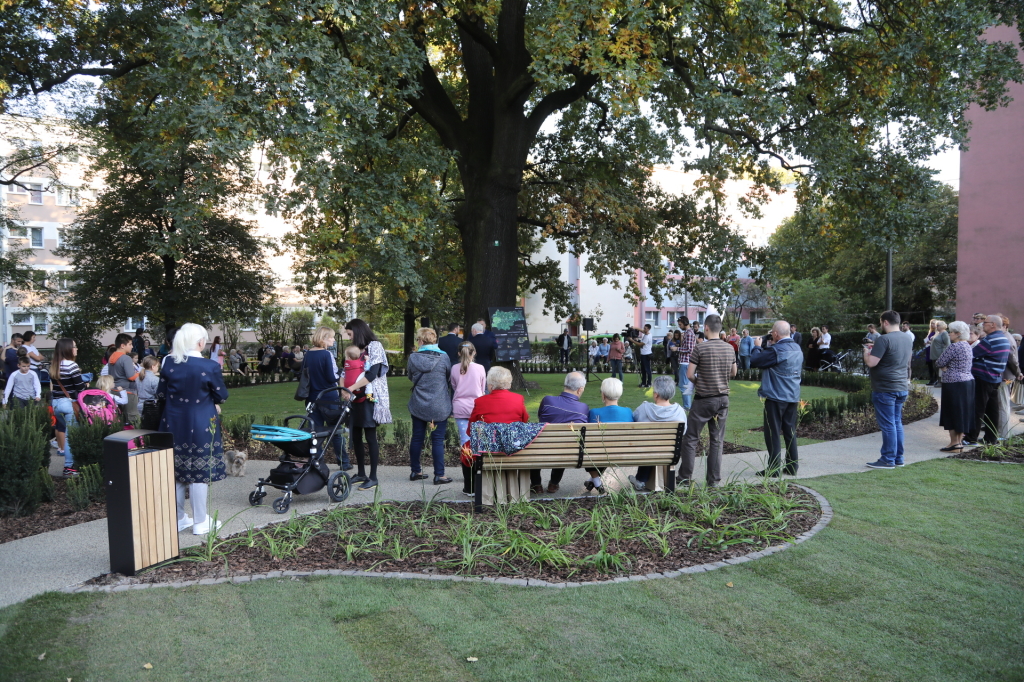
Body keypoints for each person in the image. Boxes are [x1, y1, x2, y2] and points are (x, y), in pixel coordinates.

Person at [157, 323, 229, 536]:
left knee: (176, 471)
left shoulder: (169, 362)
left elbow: (161, 394)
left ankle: (179, 518)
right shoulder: (209, 366)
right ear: (200, 342)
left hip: (172, 423)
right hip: (200, 424)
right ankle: (199, 522)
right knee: (199, 472)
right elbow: (221, 396)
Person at [678, 314, 736, 487]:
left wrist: (699, 381)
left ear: (706, 328)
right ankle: (713, 481)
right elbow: (733, 373)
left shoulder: (700, 348)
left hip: (704, 400)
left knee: (690, 439)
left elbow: (689, 374)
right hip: (723, 400)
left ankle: (685, 477)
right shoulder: (729, 348)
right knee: (717, 440)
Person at [342, 318, 392, 491]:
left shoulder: (375, 346)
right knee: (355, 436)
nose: (349, 338)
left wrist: (350, 388)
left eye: (350, 334)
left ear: (358, 331)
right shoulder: (356, 349)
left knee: (370, 437)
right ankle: (361, 473)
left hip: (370, 398)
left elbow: (373, 374)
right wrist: (344, 388)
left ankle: (373, 477)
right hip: (354, 398)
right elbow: (345, 369)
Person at [749, 321, 803, 477]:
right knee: (789, 431)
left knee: (773, 432)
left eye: (772, 332)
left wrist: (758, 346)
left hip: (776, 395)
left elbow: (755, 360)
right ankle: (792, 466)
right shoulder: (797, 348)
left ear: (776, 334)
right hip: (792, 395)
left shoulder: (777, 350)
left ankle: (773, 469)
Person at [863, 310, 913, 469]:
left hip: (885, 388)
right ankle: (898, 458)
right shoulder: (907, 338)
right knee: (897, 423)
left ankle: (887, 459)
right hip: (901, 385)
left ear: (885, 322)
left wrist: (866, 351)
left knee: (888, 425)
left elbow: (871, 362)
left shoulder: (883, 339)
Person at [406, 327, 453, 485]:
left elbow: (411, 377)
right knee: (437, 440)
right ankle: (439, 475)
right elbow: (448, 377)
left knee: (417, 438)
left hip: (418, 402)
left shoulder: (413, 357)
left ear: (420, 340)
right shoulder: (444, 357)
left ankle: (415, 471)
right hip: (439, 404)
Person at [627, 375, 687, 492]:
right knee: (655, 447)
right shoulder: (680, 411)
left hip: (646, 452)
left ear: (656, 394)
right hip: (670, 453)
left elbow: (633, 423)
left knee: (649, 445)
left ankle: (640, 479)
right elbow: (683, 431)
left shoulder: (644, 408)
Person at [534, 372, 589, 494]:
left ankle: (536, 484)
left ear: (565, 384)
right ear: (580, 390)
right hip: (568, 451)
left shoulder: (547, 400)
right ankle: (553, 484)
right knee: (565, 443)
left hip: (541, 448)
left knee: (535, 442)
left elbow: (540, 418)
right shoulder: (583, 408)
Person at [965, 315, 1015, 445]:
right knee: (992, 410)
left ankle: (971, 438)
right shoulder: (1003, 338)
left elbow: (971, 354)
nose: (982, 325)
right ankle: (991, 438)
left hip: (983, 377)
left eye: (985, 323)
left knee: (977, 408)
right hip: (995, 378)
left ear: (993, 324)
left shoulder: (990, 340)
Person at [305, 326, 350, 471]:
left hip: (312, 397)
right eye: (331, 337)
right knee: (335, 430)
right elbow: (331, 377)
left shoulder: (308, 354)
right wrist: (342, 375)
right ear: (323, 338)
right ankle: (344, 462)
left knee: (315, 431)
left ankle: (317, 461)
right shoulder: (326, 354)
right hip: (329, 396)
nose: (333, 340)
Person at [450, 342, 487, 495]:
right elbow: (483, 386)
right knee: (479, 442)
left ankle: (468, 478)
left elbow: (453, 386)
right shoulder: (480, 368)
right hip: (477, 407)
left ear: (459, 353)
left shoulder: (454, 368)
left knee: (465, 444)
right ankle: (479, 474)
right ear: (474, 352)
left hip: (460, 407)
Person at [587, 377, 633, 494]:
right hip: (624, 453)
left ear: (603, 395)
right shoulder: (628, 412)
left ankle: (595, 480)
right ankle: (594, 480)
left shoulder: (594, 413)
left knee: (593, 450)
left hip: (599, 454)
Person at [935, 321, 974, 451]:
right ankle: (959, 442)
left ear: (958, 334)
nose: (949, 334)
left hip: (953, 382)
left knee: (952, 412)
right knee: (961, 412)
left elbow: (939, 361)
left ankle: (953, 443)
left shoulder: (954, 347)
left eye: (951, 332)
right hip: (967, 381)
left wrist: (945, 367)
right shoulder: (967, 346)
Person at [51, 338, 86, 477]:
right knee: (72, 437)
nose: (76, 349)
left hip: (57, 404)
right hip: (69, 404)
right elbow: (80, 388)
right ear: (68, 349)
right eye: (75, 347)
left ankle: (70, 465)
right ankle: (69, 467)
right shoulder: (72, 365)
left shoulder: (54, 365)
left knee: (65, 433)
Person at [108, 333, 141, 426]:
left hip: (114, 390)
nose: (132, 346)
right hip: (128, 391)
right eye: (130, 344)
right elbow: (131, 376)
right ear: (123, 345)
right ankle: (137, 440)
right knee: (133, 418)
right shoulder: (126, 358)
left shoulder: (112, 356)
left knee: (119, 419)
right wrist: (140, 373)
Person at [676, 317, 696, 410]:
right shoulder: (689, 333)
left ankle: (687, 406)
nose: (679, 326)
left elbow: (689, 349)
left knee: (683, 385)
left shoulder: (689, 333)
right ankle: (687, 405)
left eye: (680, 324)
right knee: (685, 385)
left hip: (686, 362)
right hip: (686, 362)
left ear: (685, 323)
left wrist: (677, 349)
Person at [631, 323, 654, 388]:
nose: (644, 329)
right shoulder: (647, 334)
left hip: (647, 355)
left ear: (649, 329)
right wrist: (634, 327)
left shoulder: (648, 336)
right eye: (644, 328)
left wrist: (631, 340)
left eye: (646, 328)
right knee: (643, 369)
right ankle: (644, 383)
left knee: (647, 369)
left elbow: (640, 344)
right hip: (643, 354)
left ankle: (649, 383)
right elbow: (641, 330)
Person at [928, 321, 950, 387]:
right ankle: (938, 380)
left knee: (939, 369)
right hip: (934, 354)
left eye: (938, 325)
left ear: (942, 326)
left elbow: (947, 344)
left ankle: (941, 381)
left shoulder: (944, 333)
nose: (936, 327)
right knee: (935, 368)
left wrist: (944, 353)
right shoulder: (938, 333)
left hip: (940, 354)